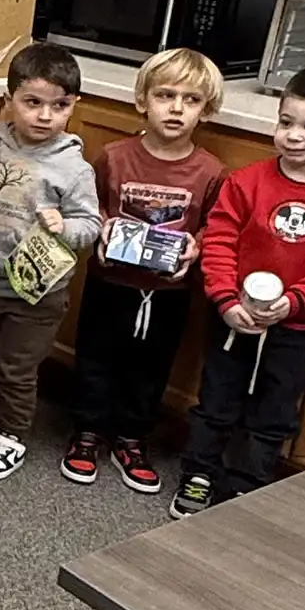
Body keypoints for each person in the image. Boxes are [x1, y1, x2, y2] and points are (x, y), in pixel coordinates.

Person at [170, 64, 305, 517]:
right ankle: (199, 474)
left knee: (275, 411)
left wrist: (296, 301)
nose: (293, 136)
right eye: (286, 122)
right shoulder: (247, 182)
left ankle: (248, 485)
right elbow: (219, 240)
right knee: (217, 399)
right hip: (234, 319)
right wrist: (224, 299)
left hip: (298, 327)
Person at [60, 49, 226, 493]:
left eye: (190, 100)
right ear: (142, 101)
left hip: (168, 292)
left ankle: (132, 438)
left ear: (205, 110)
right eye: (165, 95)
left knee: (151, 367)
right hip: (111, 282)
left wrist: (199, 245)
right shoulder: (113, 157)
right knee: (96, 358)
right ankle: (86, 432)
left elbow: (217, 224)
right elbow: (87, 206)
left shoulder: (210, 171)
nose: (176, 108)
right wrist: (101, 226)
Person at [0, 43, 101, 480]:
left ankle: (13, 433)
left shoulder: (72, 168)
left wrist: (63, 227)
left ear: (73, 107)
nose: (44, 115)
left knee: (16, 368)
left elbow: (90, 225)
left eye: (59, 106)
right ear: (9, 100)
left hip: (36, 293)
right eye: (32, 102)